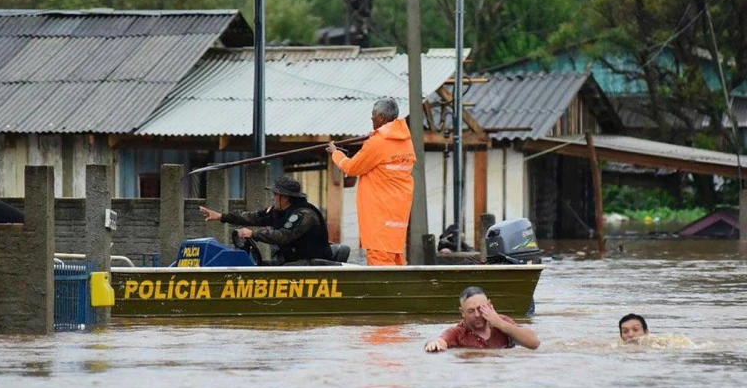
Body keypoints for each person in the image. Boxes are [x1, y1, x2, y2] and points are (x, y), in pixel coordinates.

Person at [325, 97, 415, 266]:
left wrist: (335, 153)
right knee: (395, 256)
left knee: (379, 261)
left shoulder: (377, 143)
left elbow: (352, 168)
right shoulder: (406, 141)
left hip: (379, 212)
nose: (371, 119)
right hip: (398, 213)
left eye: (373, 115)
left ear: (381, 117)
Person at [199, 175, 332, 265]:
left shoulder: (304, 215)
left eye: (275, 194)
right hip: (292, 260)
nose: (273, 198)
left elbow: (282, 236)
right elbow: (255, 217)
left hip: (311, 263)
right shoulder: (279, 211)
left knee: (278, 274)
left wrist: (253, 234)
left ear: (285, 197)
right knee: (261, 266)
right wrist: (222, 216)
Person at [425, 286, 540, 352]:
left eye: (480, 309)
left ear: (489, 305)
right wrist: (433, 344)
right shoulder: (458, 332)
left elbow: (534, 343)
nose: (477, 315)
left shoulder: (502, 322)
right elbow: (440, 341)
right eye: (471, 311)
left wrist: (501, 324)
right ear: (462, 313)